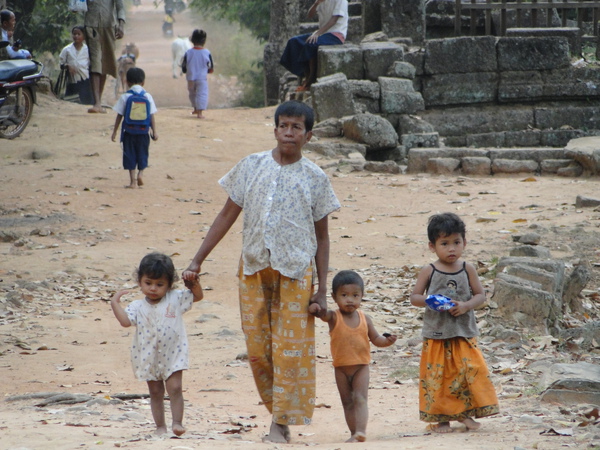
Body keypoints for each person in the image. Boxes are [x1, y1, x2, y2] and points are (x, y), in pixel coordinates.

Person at [182, 100, 340, 443]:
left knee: (291, 348)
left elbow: (323, 237)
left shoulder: (315, 178)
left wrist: (321, 288)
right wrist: (197, 260)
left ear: (308, 135)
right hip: (253, 268)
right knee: (258, 347)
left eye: (296, 127)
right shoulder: (251, 166)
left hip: (297, 273)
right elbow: (226, 215)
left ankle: (280, 423)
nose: (289, 132)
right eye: (283, 125)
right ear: (275, 129)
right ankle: (276, 410)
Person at [409, 213, 499, 433]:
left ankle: (466, 415)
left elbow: (480, 295)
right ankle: (441, 419)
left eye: (456, 243)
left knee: (469, 372)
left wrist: (466, 305)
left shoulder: (467, 269)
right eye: (444, 243)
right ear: (432, 246)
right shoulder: (429, 271)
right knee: (438, 378)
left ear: (464, 243)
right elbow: (414, 298)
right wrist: (431, 301)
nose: (451, 249)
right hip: (437, 335)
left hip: (463, 333)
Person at [110, 252, 203, 436]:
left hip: (173, 353)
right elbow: (125, 322)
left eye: (159, 284)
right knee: (155, 391)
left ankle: (177, 422)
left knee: (175, 387)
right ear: (140, 281)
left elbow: (197, 296)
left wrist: (194, 283)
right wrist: (114, 303)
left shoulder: (175, 298)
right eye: (148, 283)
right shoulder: (137, 306)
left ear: (169, 285)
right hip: (148, 355)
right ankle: (160, 426)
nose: (153, 288)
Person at [311, 270, 397, 442]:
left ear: (362, 296)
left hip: (361, 367)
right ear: (335, 297)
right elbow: (322, 314)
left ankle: (361, 430)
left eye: (355, 295)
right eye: (344, 295)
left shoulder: (365, 318)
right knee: (347, 402)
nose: (350, 300)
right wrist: (316, 309)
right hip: (341, 368)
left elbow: (376, 339)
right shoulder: (334, 317)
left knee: (360, 398)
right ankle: (353, 433)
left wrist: (387, 341)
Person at [279, 0, 348, 91]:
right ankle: (304, 75)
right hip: (323, 34)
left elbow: (334, 20)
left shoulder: (341, 1)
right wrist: (316, 3)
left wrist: (317, 34)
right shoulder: (322, 1)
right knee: (294, 42)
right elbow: (309, 15)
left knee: (311, 44)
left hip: (336, 35)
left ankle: (310, 80)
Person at [111, 67, 158, 189]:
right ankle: (141, 174)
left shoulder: (125, 97)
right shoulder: (147, 96)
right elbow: (151, 116)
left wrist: (114, 132)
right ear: (143, 82)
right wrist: (155, 132)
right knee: (142, 154)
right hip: (144, 132)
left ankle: (132, 182)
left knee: (130, 155)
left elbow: (119, 115)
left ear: (127, 82)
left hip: (129, 132)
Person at [84, 0, 126, 113]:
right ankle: (96, 103)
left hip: (109, 26)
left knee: (105, 63)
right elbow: (77, 5)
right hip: (91, 25)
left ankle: (99, 102)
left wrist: (121, 25)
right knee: (95, 62)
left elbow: (120, 7)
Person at [58, 26, 94, 105]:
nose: (76, 36)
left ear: (84, 36)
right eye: (74, 34)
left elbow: (91, 64)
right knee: (70, 101)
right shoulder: (67, 49)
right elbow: (61, 63)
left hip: (85, 80)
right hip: (72, 81)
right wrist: (67, 66)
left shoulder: (88, 49)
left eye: (79, 34)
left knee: (87, 102)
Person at [184, 29, 214, 119]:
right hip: (201, 77)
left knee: (192, 93)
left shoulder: (188, 52)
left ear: (192, 40)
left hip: (190, 77)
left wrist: (186, 71)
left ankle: (195, 108)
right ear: (204, 41)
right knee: (202, 93)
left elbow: (184, 66)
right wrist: (208, 71)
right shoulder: (207, 52)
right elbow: (211, 66)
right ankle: (200, 113)